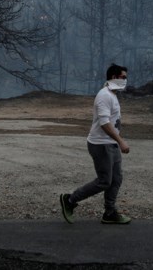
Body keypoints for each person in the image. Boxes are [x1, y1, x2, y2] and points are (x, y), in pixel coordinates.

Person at [59, 64, 131, 224]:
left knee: (116, 179)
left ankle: (109, 213)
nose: (125, 81)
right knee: (105, 181)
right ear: (114, 77)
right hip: (101, 145)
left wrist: (117, 140)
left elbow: (112, 121)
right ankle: (70, 200)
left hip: (110, 143)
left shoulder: (112, 95)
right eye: (123, 77)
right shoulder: (104, 96)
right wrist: (121, 141)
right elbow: (105, 124)